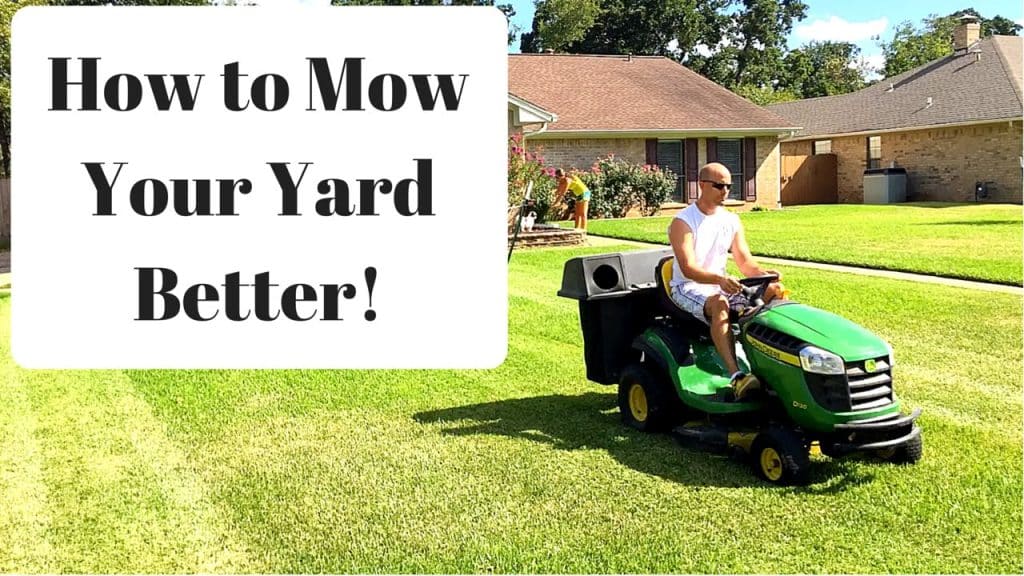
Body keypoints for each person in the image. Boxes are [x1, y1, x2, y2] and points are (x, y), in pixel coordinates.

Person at [667, 162, 785, 401]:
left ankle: (775, 362)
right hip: (687, 287)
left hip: (720, 285)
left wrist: (765, 274)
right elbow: (689, 269)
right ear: (701, 185)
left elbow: (745, 263)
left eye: (729, 186)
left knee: (775, 291)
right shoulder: (683, 222)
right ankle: (737, 377)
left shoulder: (731, 220)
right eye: (719, 185)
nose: (725, 191)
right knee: (720, 303)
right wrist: (719, 280)